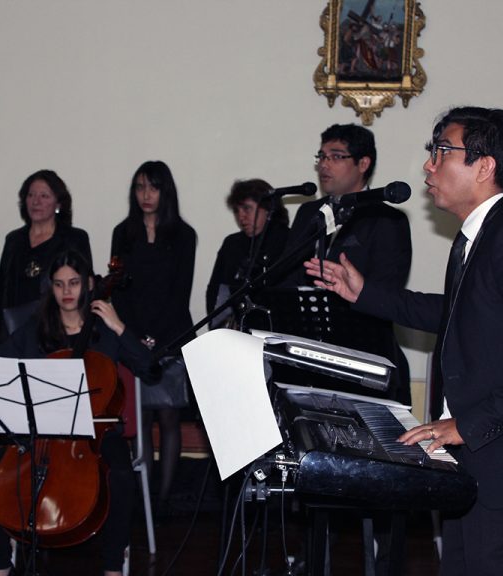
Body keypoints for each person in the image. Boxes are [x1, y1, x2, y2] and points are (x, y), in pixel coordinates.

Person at [306, 106, 503, 576]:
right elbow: (459, 312)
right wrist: (365, 293)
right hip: (488, 465)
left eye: (442, 152)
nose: (428, 166)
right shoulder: (483, 234)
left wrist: (464, 425)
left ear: (485, 166)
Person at [0, 250, 154, 576]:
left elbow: (150, 369)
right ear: (50, 288)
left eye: (73, 283)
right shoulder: (37, 329)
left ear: (87, 284)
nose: (66, 291)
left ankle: (113, 566)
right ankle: (0, 564)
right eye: (58, 284)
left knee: (120, 475)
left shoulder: (106, 328)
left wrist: (119, 326)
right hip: (42, 434)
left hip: (99, 432)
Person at [277, 123, 411, 404]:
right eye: (322, 156)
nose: (324, 165)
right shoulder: (308, 212)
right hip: (305, 355)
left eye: (336, 156)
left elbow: (386, 290)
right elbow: (286, 276)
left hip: (362, 355)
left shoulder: (387, 219)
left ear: (363, 163)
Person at [110, 160, 196, 517]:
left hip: (171, 333)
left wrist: (156, 338)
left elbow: (180, 292)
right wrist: (134, 335)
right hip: (132, 336)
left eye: (153, 187)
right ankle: (142, 497)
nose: (146, 195)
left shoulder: (184, 235)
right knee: (140, 417)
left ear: (166, 191)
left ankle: (163, 499)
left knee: (169, 416)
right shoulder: (122, 232)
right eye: (140, 187)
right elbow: (117, 289)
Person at [0, 170, 92, 343]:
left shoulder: (74, 238)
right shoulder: (13, 240)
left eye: (44, 196)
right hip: (16, 331)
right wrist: (1, 334)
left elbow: (84, 288)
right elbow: (2, 291)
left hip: (57, 330)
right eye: (31, 195)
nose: (36, 201)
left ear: (58, 203)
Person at [205, 178, 289, 324]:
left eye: (247, 208)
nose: (241, 216)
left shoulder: (287, 240)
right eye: (237, 211)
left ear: (268, 209)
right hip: (237, 330)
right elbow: (215, 291)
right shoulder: (231, 244)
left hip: (277, 328)